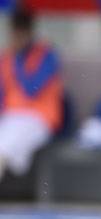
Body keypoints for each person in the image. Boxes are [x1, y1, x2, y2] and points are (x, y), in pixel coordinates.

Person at [0, 6, 63, 181]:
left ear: (29, 32)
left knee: (2, 150)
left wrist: (19, 59)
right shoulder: (6, 57)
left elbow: (31, 90)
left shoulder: (47, 55)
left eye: (20, 33)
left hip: (38, 118)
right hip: (10, 118)